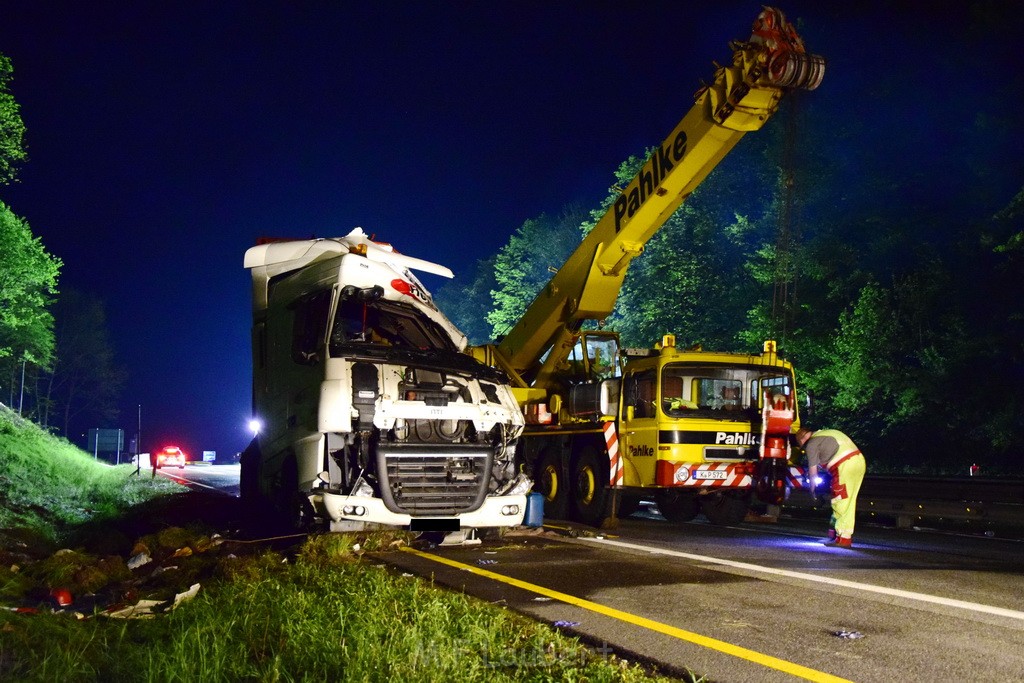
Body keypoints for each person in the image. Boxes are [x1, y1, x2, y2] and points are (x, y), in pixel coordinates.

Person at [794, 427, 866, 548]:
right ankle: (835, 534)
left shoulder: (811, 443)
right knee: (848, 500)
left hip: (843, 465)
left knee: (840, 500)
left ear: (802, 440)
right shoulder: (827, 432)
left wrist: (812, 490)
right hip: (859, 461)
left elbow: (813, 471)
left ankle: (843, 538)